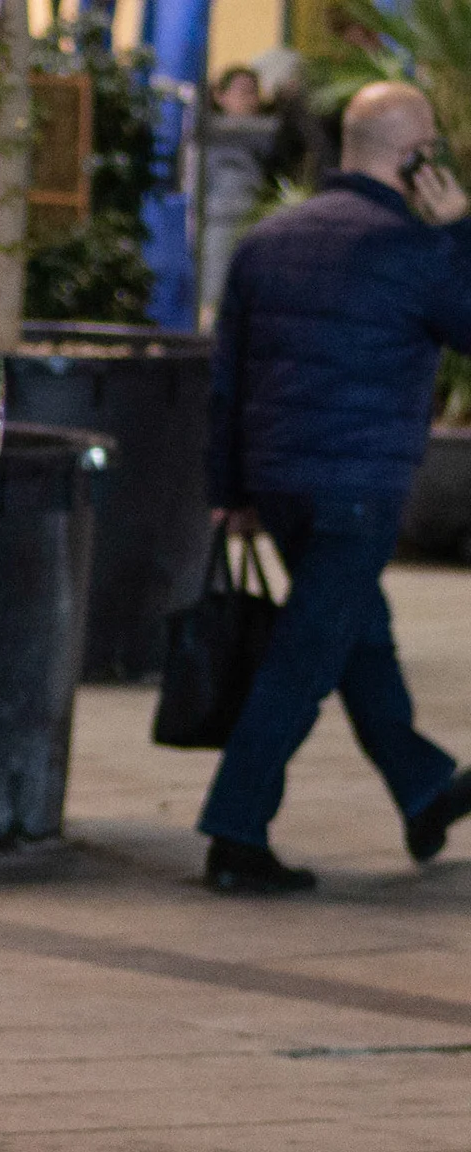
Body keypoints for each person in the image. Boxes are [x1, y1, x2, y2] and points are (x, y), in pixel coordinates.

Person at [199, 80, 471, 892]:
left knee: (357, 636)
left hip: (280, 485)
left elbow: (228, 381)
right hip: (359, 489)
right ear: (415, 154)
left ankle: (422, 788)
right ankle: (234, 833)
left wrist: (231, 491)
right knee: (305, 658)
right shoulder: (418, 250)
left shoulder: (268, 241)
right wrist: (462, 227)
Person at [199, 67, 276, 326]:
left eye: (254, 93)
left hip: (255, 224)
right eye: (242, 91)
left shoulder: (271, 135)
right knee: (215, 296)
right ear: (220, 96)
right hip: (218, 223)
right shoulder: (206, 132)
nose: (249, 99)